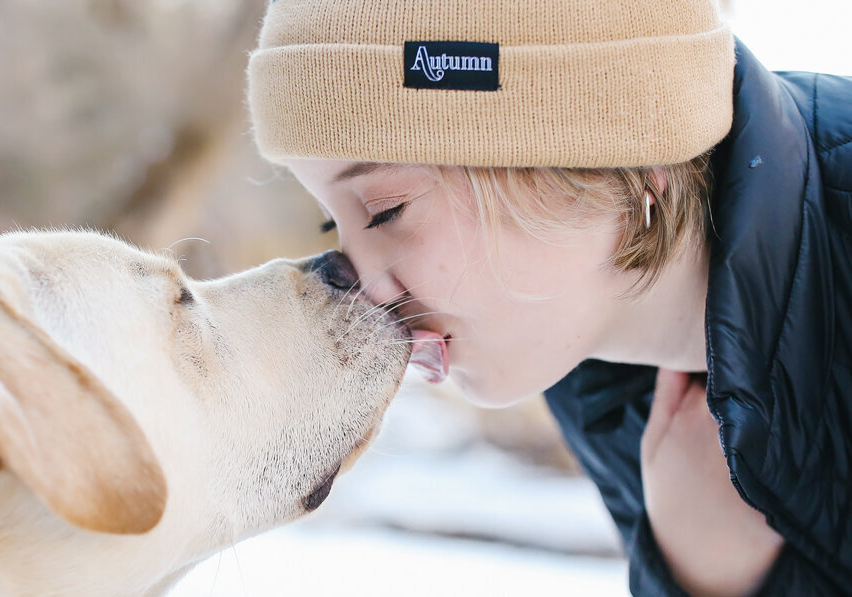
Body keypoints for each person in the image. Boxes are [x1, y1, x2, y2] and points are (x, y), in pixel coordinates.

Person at [246, 1, 852, 595]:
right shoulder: (585, 367)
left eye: (385, 210)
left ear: (601, 147)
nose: (366, 292)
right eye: (333, 225)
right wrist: (704, 575)